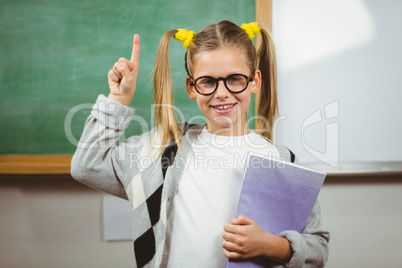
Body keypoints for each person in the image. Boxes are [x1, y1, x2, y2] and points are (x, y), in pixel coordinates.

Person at [71, 20, 329, 268]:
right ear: (191, 87)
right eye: (207, 81)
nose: (221, 92)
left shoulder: (281, 160)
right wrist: (119, 98)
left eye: (235, 78)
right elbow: (87, 165)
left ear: (255, 81)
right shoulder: (163, 150)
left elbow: (317, 250)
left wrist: (269, 245)